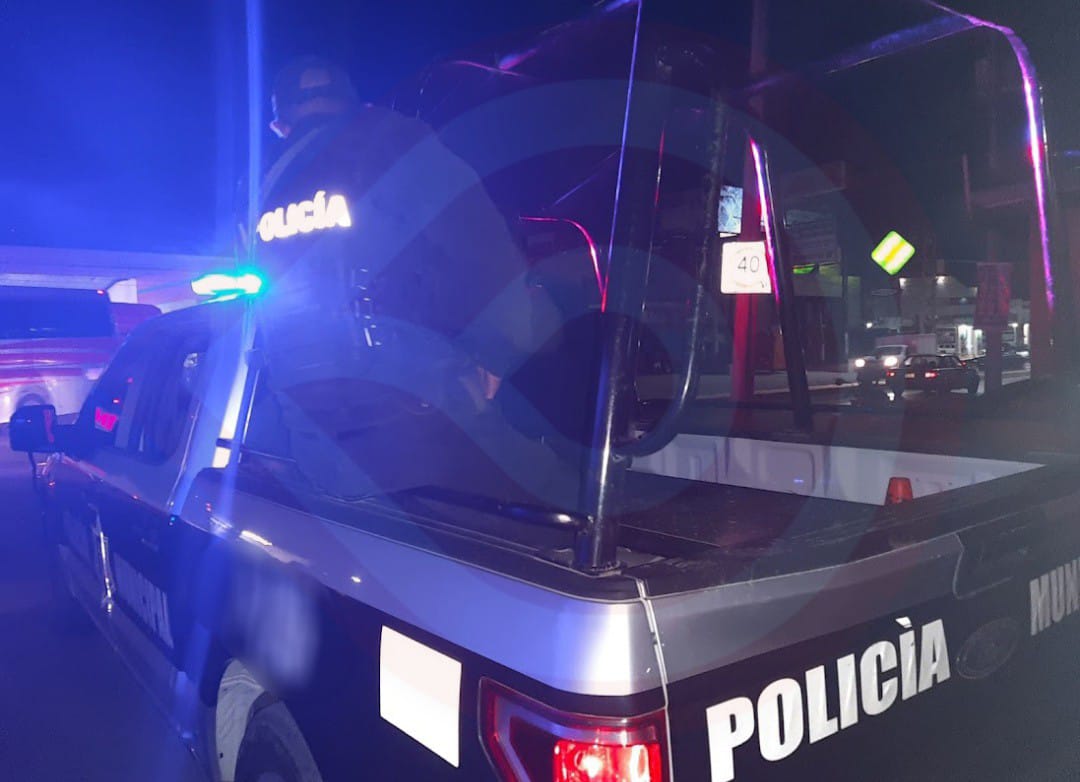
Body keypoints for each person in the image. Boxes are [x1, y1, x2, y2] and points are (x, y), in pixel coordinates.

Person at [249, 57, 576, 510]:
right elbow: (479, 246)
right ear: (354, 103)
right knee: (571, 498)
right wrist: (498, 348)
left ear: (280, 125)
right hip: (423, 423)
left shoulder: (261, 189)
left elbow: (262, 313)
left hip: (321, 447)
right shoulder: (394, 141)